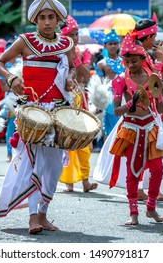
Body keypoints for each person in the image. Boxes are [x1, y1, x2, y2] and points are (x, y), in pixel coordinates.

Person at [0, 0, 75, 234]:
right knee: (32, 163)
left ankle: (43, 214)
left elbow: (71, 70)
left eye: (51, 17)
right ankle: (32, 218)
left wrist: (70, 80)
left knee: (54, 167)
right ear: (35, 20)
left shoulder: (67, 44)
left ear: (59, 19)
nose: (47, 22)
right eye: (42, 18)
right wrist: (12, 78)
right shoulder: (25, 41)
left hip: (59, 110)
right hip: (32, 111)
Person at [110, 33, 163, 225]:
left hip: (150, 126)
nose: (131, 65)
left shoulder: (153, 77)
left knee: (158, 170)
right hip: (131, 128)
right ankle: (133, 213)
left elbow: (159, 109)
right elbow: (116, 111)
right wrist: (129, 105)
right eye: (127, 61)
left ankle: (151, 208)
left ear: (143, 59)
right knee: (133, 171)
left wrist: (159, 95)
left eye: (134, 61)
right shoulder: (120, 80)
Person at [132, 15, 163, 202]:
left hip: (149, 108)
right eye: (153, 37)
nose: (155, 41)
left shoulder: (143, 53)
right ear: (147, 37)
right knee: (146, 151)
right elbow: (150, 84)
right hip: (142, 110)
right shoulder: (138, 55)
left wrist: (161, 59)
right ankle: (142, 190)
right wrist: (159, 60)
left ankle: (145, 188)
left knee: (147, 151)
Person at [58, 15, 97, 192]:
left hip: (80, 100)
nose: (75, 38)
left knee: (83, 142)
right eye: (71, 35)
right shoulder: (57, 52)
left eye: (76, 34)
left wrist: (76, 58)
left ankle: (85, 180)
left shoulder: (84, 52)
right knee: (66, 142)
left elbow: (86, 76)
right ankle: (69, 182)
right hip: (63, 99)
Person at [95, 29, 124, 140]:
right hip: (109, 97)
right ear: (105, 46)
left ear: (119, 45)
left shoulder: (124, 61)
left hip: (123, 96)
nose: (113, 46)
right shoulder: (101, 64)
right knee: (111, 128)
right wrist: (99, 104)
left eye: (115, 43)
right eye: (110, 44)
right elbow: (99, 85)